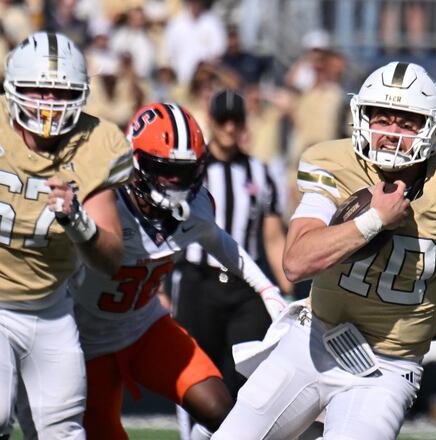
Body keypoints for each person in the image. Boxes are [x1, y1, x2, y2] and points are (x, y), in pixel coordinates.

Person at [213, 61, 436, 440]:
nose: (390, 134)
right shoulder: (337, 164)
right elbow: (296, 262)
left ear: (431, 127)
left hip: (389, 366)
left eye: (406, 123)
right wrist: (372, 221)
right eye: (381, 118)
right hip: (314, 340)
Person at [65, 103, 288, 440]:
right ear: (135, 162)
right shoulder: (104, 201)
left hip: (144, 327)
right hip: (87, 340)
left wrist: (266, 289)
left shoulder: (196, 207)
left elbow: (220, 241)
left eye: (183, 171)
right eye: (162, 169)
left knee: (221, 410)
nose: (173, 181)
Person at [0, 32, 133, 438]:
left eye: (60, 94)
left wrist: (79, 222)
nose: (47, 105)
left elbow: (110, 258)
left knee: (64, 432)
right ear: (13, 91)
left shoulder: (98, 142)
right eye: (38, 90)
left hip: (51, 308)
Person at [172, 90, 292, 402]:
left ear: (243, 124)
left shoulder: (261, 173)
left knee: (248, 376)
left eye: (235, 120)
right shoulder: (190, 169)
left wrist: (285, 288)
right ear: (210, 120)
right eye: (222, 120)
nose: (228, 127)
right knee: (196, 374)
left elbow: (273, 237)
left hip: (245, 286)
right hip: (198, 280)